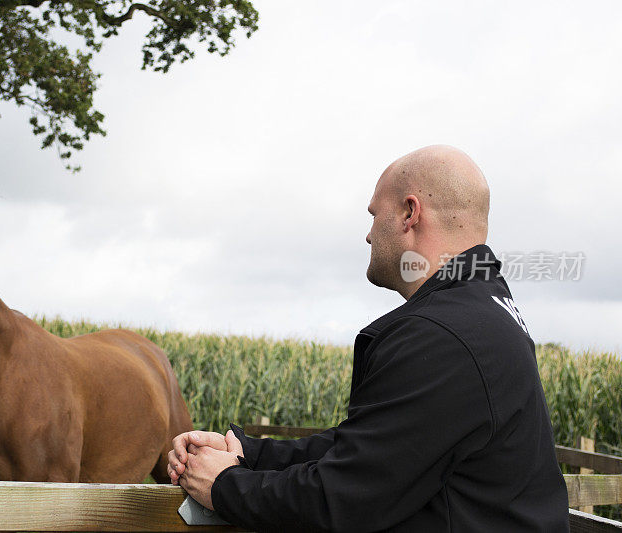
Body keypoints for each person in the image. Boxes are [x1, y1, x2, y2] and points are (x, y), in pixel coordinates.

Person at [166, 145, 569, 532]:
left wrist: (224, 486)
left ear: (410, 213)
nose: (368, 235)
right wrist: (249, 454)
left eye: (375, 215)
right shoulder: (482, 312)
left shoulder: (442, 336)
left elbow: (344, 498)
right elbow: (379, 448)